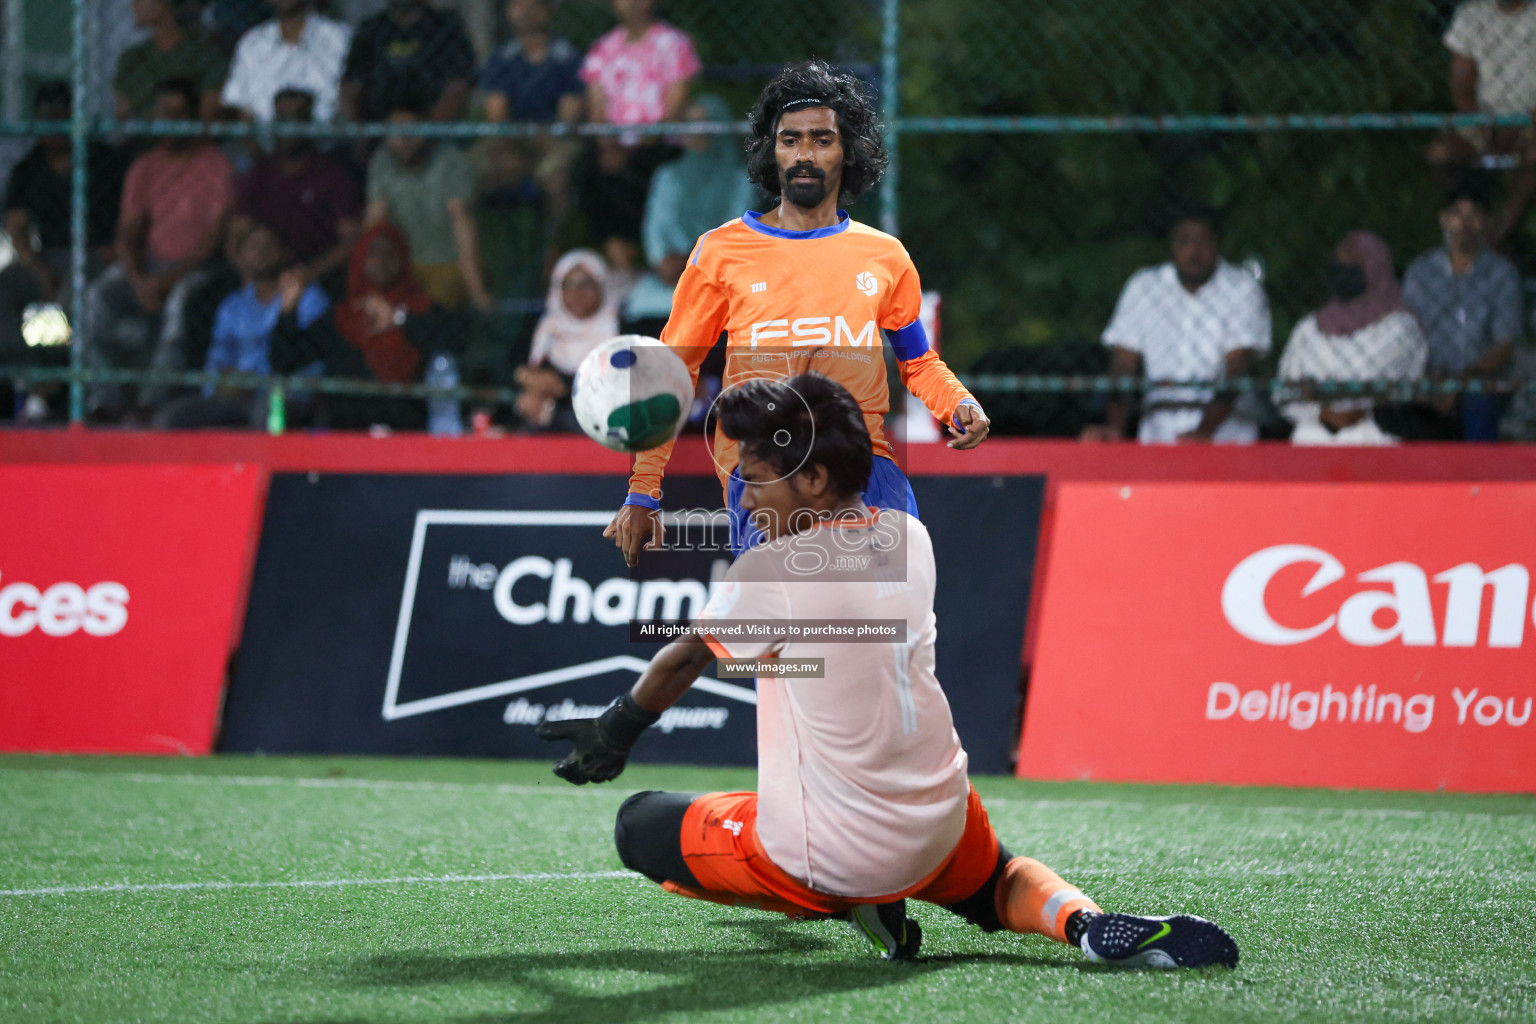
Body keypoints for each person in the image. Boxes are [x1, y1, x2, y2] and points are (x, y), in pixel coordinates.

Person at [541, 372, 1239, 969]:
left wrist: (616, 732)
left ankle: (857, 903)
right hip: (939, 820)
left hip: (832, 860)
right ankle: (1083, 924)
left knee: (640, 825)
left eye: (755, 482)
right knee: (996, 879)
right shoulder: (910, 537)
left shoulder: (774, 569)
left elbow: (687, 655)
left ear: (813, 478)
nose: (746, 501)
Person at [604, 61, 988, 567]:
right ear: (771, 149)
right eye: (790, 140)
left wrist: (957, 402)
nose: (804, 155)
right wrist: (643, 491)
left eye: (822, 140)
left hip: (866, 467)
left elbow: (917, 362)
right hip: (765, 472)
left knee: (889, 630)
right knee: (791, 640)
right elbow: (674, 372)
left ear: (848, 151)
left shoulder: (885, 257)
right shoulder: (719, 252)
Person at [84, 77, 234, 421]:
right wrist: (139, 279)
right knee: (96, 295)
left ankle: (150, 403)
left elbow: (211, 242)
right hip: (149, 265)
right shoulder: (145, 166)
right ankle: (103, 398)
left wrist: (167, 281)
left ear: (196, 118)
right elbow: (128, 233)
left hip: (197, 268)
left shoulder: (216, 166)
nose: (169, 121)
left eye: (178, 114)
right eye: (163, 113)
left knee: (180, 304)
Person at [1081, 207, 1271, 444]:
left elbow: (1238, 366)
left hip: (1226, 435)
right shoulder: (1144, 287)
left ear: (1219, 245)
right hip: (1158, 432)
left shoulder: (1242, 289)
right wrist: (1114, 428)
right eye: (1184, 241)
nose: (1193, 251)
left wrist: (1204, 433)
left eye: (1203, 242)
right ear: (1171, 245)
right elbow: (1123, 363)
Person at [1, 83, 126, 409]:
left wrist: (116, 251)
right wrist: (34, 266)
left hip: (97, 254)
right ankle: (30, 374)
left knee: (72, 288)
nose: (51, 126)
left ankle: (56, 385)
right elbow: (16, 223)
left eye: (59, 116)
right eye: (44, 118)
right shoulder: (30, 167)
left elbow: (129, 220)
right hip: (48, 257)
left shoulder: (104, 161)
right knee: (8, 285)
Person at [265, 222, 460, 429]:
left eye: (391, 254)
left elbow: (455, 343)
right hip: (345, 437)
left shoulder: (420, 308)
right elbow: (283, 362)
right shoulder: (341, 317)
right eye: (374, 254)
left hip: (407, 437)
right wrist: (288, 310)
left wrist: (398, 318)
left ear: (403, 258)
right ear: (360, 259)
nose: (382, 261)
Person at [156, 220, 330, 428]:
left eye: (269, 246)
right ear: (241, 257)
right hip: (234, 395)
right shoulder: (232, 305)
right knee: (169, 419)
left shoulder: (309, 297)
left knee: (265, 415)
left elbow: (309, 360)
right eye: (253, 247)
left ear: (285, 252)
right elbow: (219, 356)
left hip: (283, 396)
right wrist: (221, 384)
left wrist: (255, 382)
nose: (262, 253)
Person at [1277, 232, 1428, 446]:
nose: (1342, 274)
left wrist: (1318, 395)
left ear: (1375, 269)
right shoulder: (1309, 327)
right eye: (1338, 266)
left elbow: (1366, 389)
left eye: (1352, 268)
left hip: (1374, 438)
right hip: (1311, 438)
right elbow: (1285, 391)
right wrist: (1329, 404)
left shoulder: (1400, 326)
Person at [1403, 182, 1524, 440]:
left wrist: (1459, 382)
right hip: (1429, 378)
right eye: (1457, 214)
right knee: (1400, 407)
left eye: (1474, 216)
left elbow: (1503, 346)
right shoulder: (1420, 273)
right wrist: (1432, 378)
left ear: (1487, 222)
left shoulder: (1502, 275)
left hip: (1482, 380)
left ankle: (1479, 479)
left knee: (1478, 402)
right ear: (1444, 219)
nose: (1464, 224)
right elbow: (1407, 336)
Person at [625, 94, 757, 323]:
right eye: (691, 124)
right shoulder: (668, 175)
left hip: (721, 273)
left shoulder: (740, 180)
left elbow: (735, 232)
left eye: (706, 123)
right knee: (641, 304)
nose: (697, 132)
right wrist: (663, 262)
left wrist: (693, 262)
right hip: (672, 273)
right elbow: (656, 228)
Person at [231, 88, 361, 296]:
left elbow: (351, 241)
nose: (289, 129)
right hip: (264, 269)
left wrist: (307, 275)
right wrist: (249, 274)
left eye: (296, 119)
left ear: (309, 124)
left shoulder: (331, 173)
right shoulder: (261, 172)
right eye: (283, 120)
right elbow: (237, 231)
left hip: (317, 274)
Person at [365, 101, 493, 311]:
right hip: (405, 267)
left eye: (412, 130)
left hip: (450, 265)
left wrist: (476, 289)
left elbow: (460, 219)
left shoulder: (451, 160)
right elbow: (373, 222)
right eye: (396, 131)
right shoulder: (382, 161)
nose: (404, 140)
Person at [515, 248, 619, 430]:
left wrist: (561, 390)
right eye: (568, 285)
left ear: (601, 286)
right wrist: (527, 377)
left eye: (586, 284)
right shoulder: (544, 329)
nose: (577, 292)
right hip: (550, 432)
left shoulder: (622, 330)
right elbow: (512, 369)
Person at [1431, 0, 1536, 169]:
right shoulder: (1471, 14)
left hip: (1530, 117)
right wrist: (1482, 124)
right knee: (1441, 152)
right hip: (1483, 115)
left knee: (1532, 154)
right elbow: (1462, 85)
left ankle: (1515, 195)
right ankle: (1466, 195)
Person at [340, 0, 477, 124]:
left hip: (437, 132)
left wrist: (423, 128)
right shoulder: (371, 29)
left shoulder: (446, 25)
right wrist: (363, 134)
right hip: (380, 131)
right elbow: (350, 87)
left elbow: (460, 84)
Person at [222, 0, 352, 122]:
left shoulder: (340, 38)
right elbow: (241, 107)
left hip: (328, 139)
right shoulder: (252, 43)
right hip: (266, 141)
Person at [114, 0, 227, 122]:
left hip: (190, 137)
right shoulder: (133, 57)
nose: (134, 5)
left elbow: (210, 113)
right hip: (141, 138)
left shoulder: (202, 53)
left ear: (161, 4)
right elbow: (122, 113)